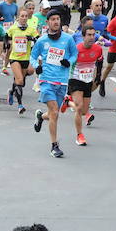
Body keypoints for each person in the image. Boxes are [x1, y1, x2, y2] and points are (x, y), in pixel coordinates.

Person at [31, 12, 79, 158]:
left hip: (62, 81)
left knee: (54, 113)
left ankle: (40, 116)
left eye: (58, 19)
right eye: (53, 19)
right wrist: (36, 66)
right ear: (47, 23)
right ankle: (54, 145)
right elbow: (33, 56)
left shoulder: (68, 39)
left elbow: (74, 54)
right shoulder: (42, 40)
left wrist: (69, 62)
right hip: (46, 80)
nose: (56, 22)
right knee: (55, 112)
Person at [68, 23, 104, 145]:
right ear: (83, 36)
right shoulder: (76, 49)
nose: (91, 37)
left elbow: (100, 62)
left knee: (84, 111)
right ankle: (79, 135)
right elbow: (67, 64)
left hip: (88, 81)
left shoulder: (98, 49)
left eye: (93, 35)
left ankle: (67, 102)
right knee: (79, 108)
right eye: (89, 35)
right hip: (75, 80)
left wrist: (98, 78)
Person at [4, 4, 40, 115]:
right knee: (19, 80)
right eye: (22, 16)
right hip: (14, 58)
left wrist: (32, 39)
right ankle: (20, 105)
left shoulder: (31, 30)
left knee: (21, 82)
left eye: (25, 16)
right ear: (18, 17)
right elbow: (6, 36)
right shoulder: (13, 28)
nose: (24, 18)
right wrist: (6, 44)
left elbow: (39, 40)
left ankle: (11, 91)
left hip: (26, 58)